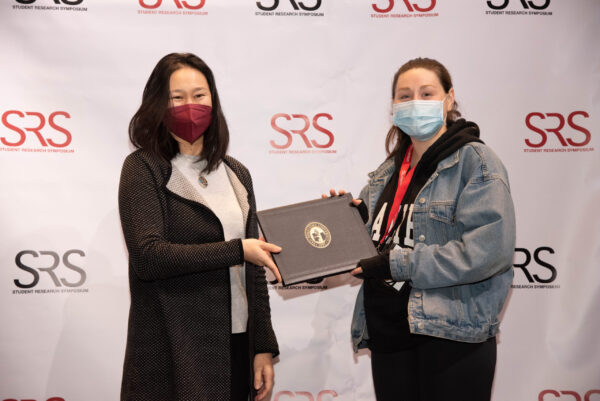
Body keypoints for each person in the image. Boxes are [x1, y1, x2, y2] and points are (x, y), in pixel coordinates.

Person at [326, 58, 515, 401]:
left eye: (426, 93)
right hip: (388, 334)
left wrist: (397, 264)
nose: (415, 102)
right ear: (393, 107)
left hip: (450, 339)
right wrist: (344, 220)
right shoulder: (388, 170)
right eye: (404, 95)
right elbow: (373, 240)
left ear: (449, 98)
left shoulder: (476, 162)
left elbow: (488, 251)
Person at [118, 52, 281, 401]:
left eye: (199, 95)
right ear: (158, 104)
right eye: (177, 98)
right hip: (173, 346)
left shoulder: (236, 172)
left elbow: (254, 269)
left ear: (214, 100)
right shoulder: (143, 168)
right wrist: (238, 250)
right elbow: (149, 257)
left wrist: (263, 345)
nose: (189, 106)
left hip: (238, 342)